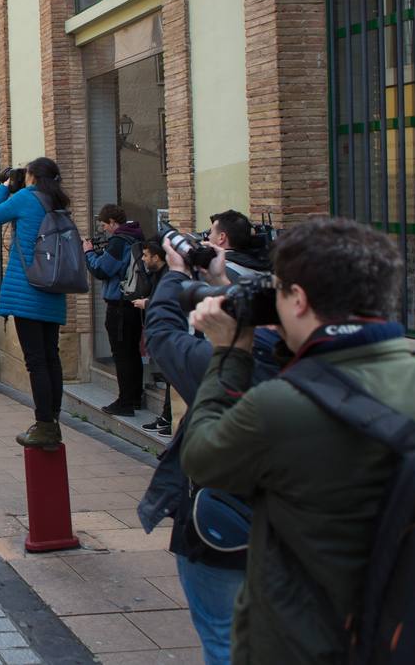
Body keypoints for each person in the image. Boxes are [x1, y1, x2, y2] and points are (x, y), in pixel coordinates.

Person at [180, 217, 415, 664]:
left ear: (299, 299)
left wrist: (230, 352)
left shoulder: (279, 407)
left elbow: (201, 458)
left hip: (310, 642)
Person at [136, 232, 276, 664]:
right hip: (303, 536)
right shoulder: (333, 364)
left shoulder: (227, 364)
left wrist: (177, 275)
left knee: (224, 639)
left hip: (222, 532)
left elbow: (161, 334)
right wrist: (220, 282)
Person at [0, 157, 70, 448]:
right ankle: (52, 421)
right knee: (51, 357)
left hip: (27, 292)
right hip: (53, 291)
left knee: (36, 362)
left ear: (32, 177)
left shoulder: (26, 197)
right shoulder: (58, 202)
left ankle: (44, 426)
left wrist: (4, 185)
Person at [83, 204, 146, 417]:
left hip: (119, 305)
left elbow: (102, 270)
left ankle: (125, 402)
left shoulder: (119, 241)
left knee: (122, 354)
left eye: (104, 225)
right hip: (134, 303)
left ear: (112, 222)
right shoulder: (136, 236)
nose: (104, 229)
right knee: (132, 352)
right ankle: (135, 397)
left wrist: (89, 253)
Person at [131, 241, 173, 436]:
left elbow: (167, 301)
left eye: (146, 255)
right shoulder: (157, 274)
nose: (143, 259)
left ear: (157, 257)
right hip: (161, 331)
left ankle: (170, 419)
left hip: (169, 332)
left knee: (173, 377)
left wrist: (146, 303)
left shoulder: (168, 276)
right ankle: (166, 416)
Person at [205, 210, 270, 281]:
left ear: (221, 237)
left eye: (210, 232)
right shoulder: (261, 265)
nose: (208, 237)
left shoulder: (217, 270)